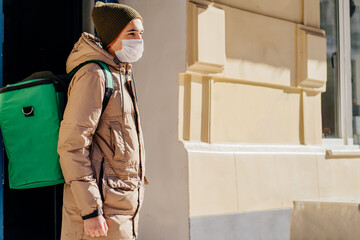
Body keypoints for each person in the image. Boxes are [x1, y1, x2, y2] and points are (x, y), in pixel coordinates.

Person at [58, 2, 146, 239]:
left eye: (140, 33)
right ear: (112, 37)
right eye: (131, 33)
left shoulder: (121, 73)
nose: (138, 39)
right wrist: (90, 211)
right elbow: (72, 145)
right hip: (101, 214)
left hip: (120, 209)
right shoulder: (94, 75)